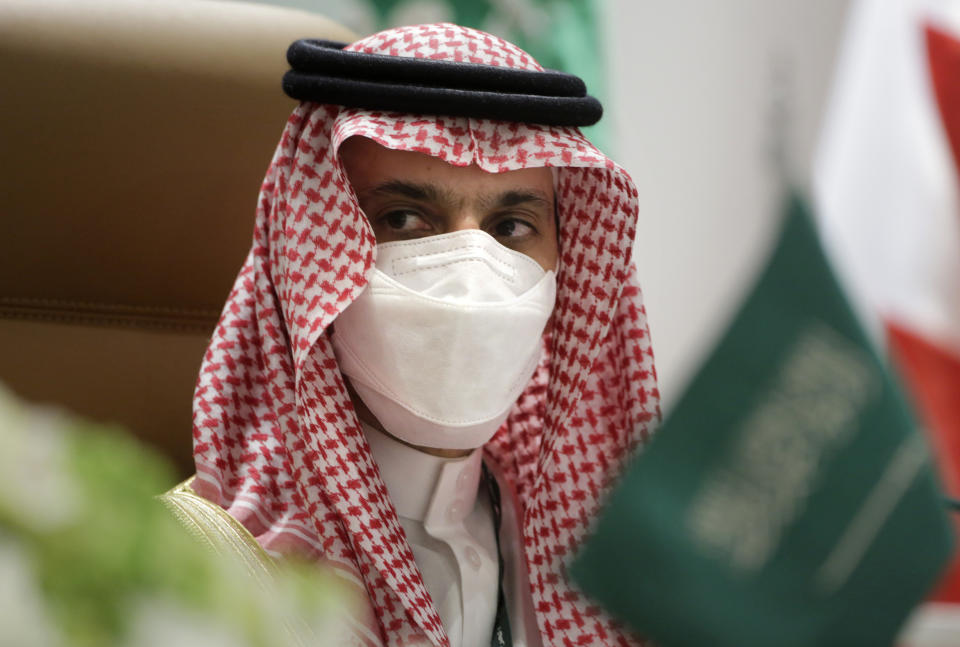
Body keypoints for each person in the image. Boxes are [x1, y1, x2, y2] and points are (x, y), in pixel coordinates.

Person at [164, 22, 660, 647]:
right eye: (404, 219)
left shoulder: (600, 573)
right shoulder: (190, 578)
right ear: (308, 257)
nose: (471, 276)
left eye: (511, 227)